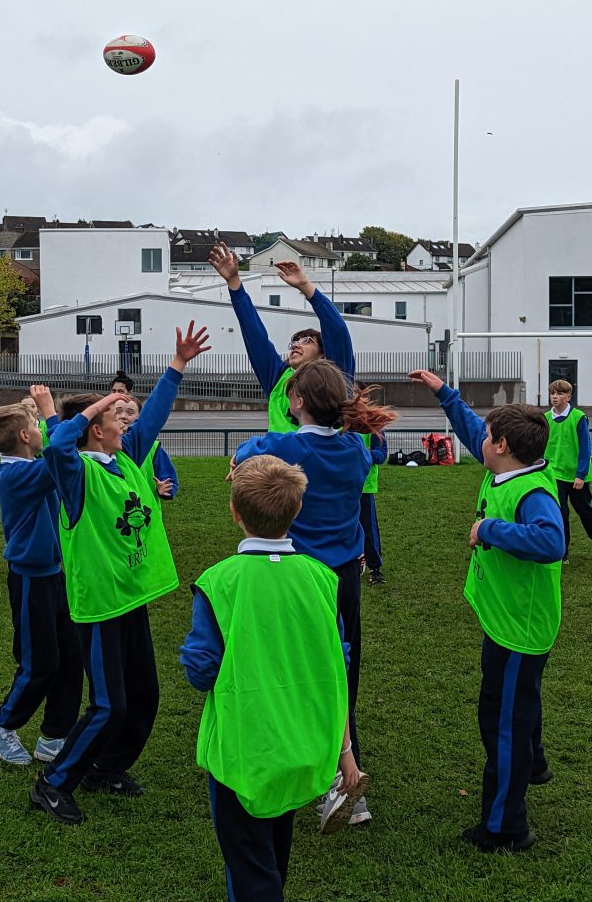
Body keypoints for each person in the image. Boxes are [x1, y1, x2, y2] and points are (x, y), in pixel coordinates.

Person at [30, 322, 210, 825]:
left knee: (144, 697)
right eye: (115, 417)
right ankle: (52, 782)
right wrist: (82, 409)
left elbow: (150, 418)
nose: (125, 422)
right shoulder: (78, 473)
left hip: (131, 597)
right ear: (95, 429)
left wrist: (177, 367)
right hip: (100, 603)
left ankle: (105, 768)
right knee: (108, 704)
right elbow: (55, 446)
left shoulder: (124, 459)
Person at [181, 455, 368, 902]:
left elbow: (201, 668)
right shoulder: (323, 579)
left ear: (234, 511)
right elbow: (337, 664)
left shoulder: (219, 581)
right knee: (272, 856)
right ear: (297, 510)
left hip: (244, 752)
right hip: (303, 747)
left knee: (250, 871)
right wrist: (345, 751)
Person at [232, 359, 395, 827]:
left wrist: (245, 457)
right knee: (340, 675)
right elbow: (371, 455)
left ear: (297, 401)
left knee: (303, 676)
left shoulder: (283, 445)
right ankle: (346, 779)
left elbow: (248, 451)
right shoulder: (355, 450)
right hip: (344, 578)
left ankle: (336, 782)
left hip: (299, 579)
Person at [408, 369, 565, 853]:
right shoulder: (506, 467)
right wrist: (442, 392)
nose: (480, 440)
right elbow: (471, 428)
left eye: (488, 437)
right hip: (503, 620)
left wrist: (490, 530)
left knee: (502, 722)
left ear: (501, 446)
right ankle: (533, 762)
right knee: (514, 708)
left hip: (519, 628)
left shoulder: (531, 492)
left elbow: (551, 541)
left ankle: (505, 829)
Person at [0, 385, 84, 766]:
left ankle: (54, 737)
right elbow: (60, 452)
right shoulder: (16, 475)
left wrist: (36, 414)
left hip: (56, 575)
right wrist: (49, 412)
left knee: (71, 658)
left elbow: (53, 454)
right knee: (39, 664)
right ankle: (2, 723)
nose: (42, 428)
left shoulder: (30, 465)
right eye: (36, 426)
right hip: (29, 580)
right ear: (25, 437)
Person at [209, 244, 354, 431]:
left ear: (323, 355)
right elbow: (255, 336)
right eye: (294, 341)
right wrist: (234, 283)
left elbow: (337, 330)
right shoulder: (278, 378)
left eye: (306, 341)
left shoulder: (334, 378)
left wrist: (305, 287)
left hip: (319, 459)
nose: (296, 345)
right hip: (280, 461)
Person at [543, 379, 592, 562]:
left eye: (559, 393)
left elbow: (585, 448)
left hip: (577, 478)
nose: (554, 396)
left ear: (569, 396)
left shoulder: (578, 417)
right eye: (552, 393)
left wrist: (580, 474)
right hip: (555, 476)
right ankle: (562, 553)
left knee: (586, 513)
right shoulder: (546, 419)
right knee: (560, 514)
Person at [114, 395, 179, 502]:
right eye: (118, 412)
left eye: (130, 413)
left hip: (146, 512)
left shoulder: (153, 448)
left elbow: (169, 479)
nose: (123, 416)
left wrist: (165, 489)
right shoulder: (102, 445)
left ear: (140, 417)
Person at [357, 430, 388, 585]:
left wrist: (361, 452)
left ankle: (375, 569)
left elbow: (381, 455)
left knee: (369, 528)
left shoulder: (374, 427)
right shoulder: (339, 420)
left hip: (365, 488)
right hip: (342, 485)